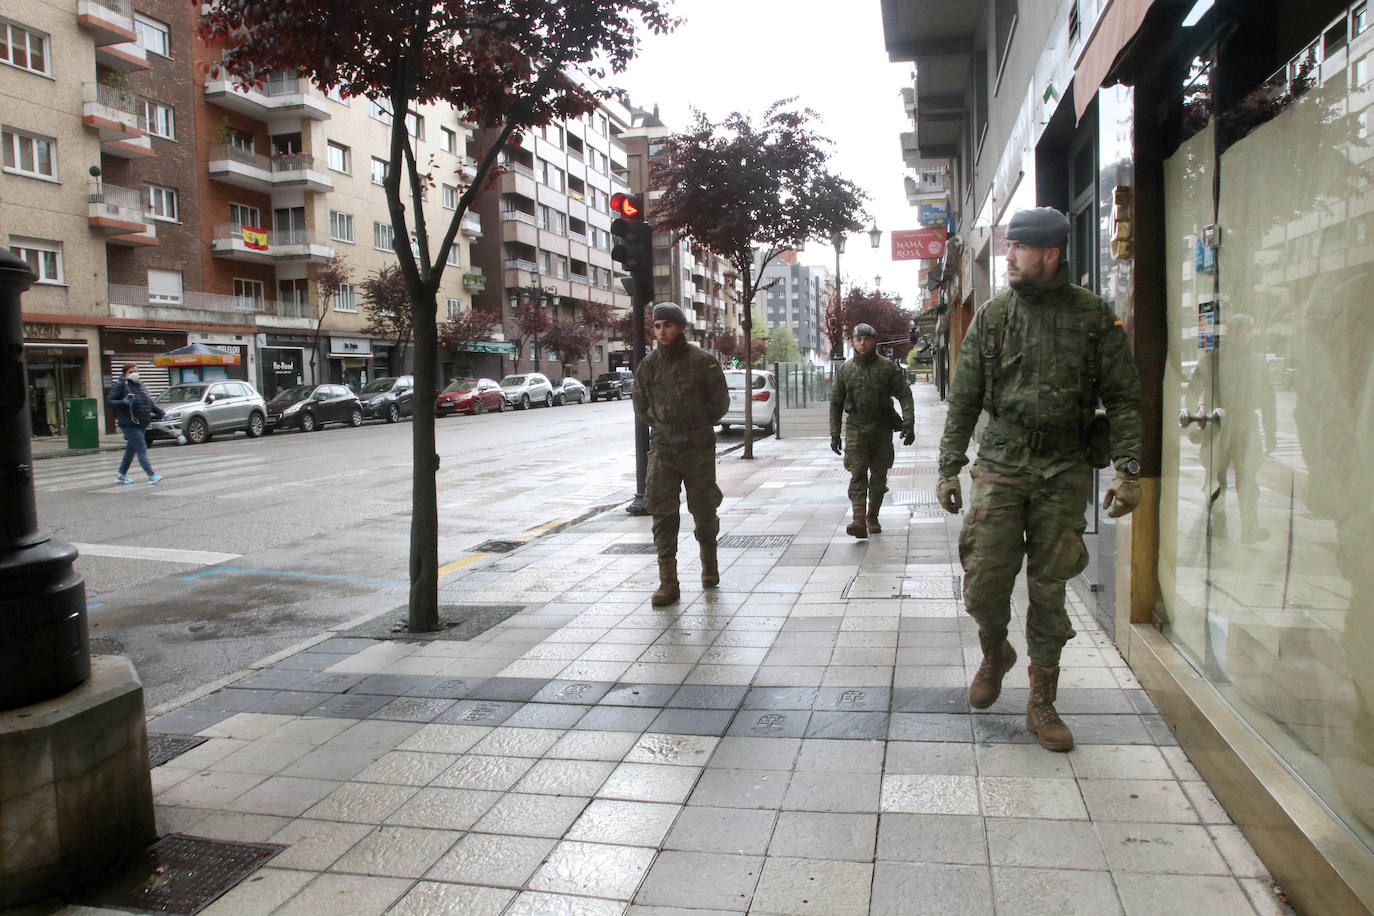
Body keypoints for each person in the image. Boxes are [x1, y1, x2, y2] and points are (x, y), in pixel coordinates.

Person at [935, 206, 1143, 752]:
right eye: (1005, 248)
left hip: (1065, 467)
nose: (1007, 258)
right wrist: (948, 465)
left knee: (1050, 589)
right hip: (1002, 462)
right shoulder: (993, 317)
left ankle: (1041, 701)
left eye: (1017, 249)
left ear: (1050, 254)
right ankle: (994, 648)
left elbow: (1123, 398)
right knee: (983, 576)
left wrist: (1129, 470)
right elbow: (965, 399)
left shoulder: (1095, 319)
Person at [632, 302, 730, 606]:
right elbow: (641, 406)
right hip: (663, 449)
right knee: (662, 512)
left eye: (669, 325)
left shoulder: (704, 362)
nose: (663, 331)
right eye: (658, 326)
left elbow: (720, 403)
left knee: (703, 509)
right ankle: (668, 582)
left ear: (681, 327)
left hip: (698, 448)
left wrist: (695, 424)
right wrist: (665, 426)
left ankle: (709, 567)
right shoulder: (648, 366)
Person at [829, 323, 915, 538]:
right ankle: (858, 520)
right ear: (853, 342)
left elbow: (904, 394)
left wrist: (909, 422)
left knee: (879, 474)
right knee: (857, 472)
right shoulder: (846, 370)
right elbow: (836, 403)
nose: (862, 343)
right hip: (856, 427)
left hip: (881, 427)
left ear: (874, 341)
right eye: (858, 339)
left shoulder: (887, 368)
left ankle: (872, 516)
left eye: (866, 339)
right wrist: (834, 433)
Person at [107, 363, 166, 485]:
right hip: (129, 423)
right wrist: (123, 402)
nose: (134, 374)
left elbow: (149, 403)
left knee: (131, 450)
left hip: (142, 422)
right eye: (130, 372)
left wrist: (162, 413)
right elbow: (110, 402)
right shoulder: (120, 385)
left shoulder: (141, 386)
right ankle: (151, 475)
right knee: (141, 447)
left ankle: (121, 475)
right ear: (124, 373)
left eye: (136, 371)